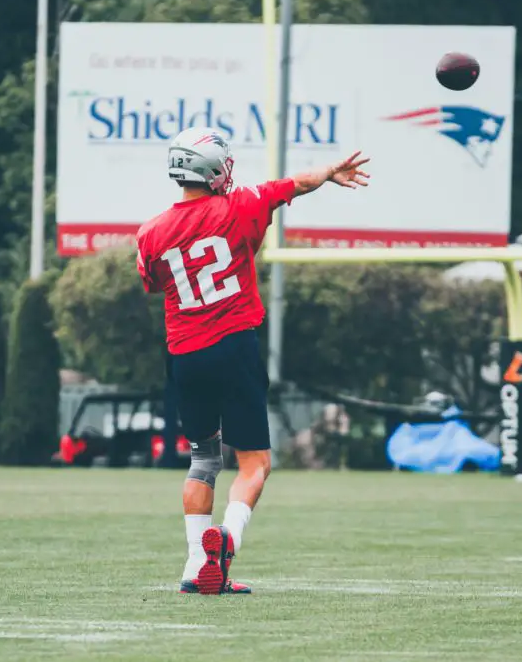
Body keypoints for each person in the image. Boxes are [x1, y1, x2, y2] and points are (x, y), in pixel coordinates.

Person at [135, 126, 370, 595]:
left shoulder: (151, 232)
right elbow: (295, 184)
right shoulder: (239, 204)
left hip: (184, 353)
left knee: (202, 459)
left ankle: (193, 567)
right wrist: (328, 173)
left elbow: (156, 282)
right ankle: (227, 539)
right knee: (255, 463)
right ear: (212, 170)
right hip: (234, 345)